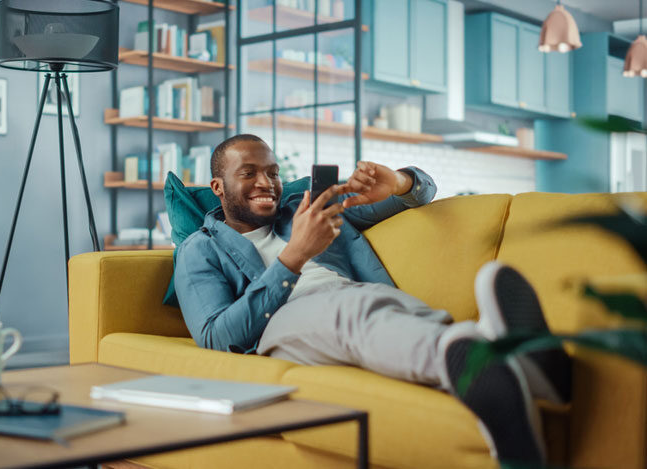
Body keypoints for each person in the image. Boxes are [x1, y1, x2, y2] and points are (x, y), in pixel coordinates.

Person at [175, 134, 571, 466]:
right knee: (352, 314)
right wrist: (293, 257)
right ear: (218, 186)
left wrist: (398, 183)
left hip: (360, 295)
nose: (267, 182)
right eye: (249, 173)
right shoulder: (200, 249)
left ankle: (509, 361)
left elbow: (422, 192)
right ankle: (466, 361)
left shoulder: (310, 208)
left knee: (391, 309)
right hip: (282, 320)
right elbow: (216, 335)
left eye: (273, 172)